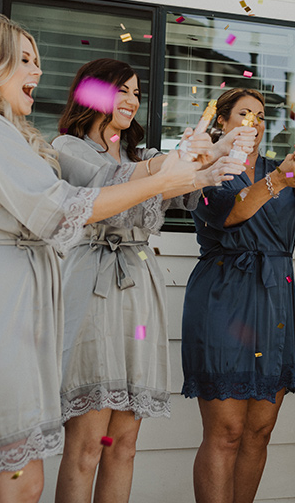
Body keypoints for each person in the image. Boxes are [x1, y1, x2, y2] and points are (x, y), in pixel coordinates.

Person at [0, 15, 203, 503]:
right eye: (25, 60)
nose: (38, 70)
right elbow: (61, 206)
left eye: (38, 59)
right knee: (20, 481)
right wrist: (161, 179)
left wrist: (194, 164)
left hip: (12, 308)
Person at [51, 59, 252, 503]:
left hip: (139, 287)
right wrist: (180, 161)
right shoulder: (68, 147)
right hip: (93, 284)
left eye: (137, 93)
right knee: (87, 445)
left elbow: (180, 189)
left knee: (123, 444)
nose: (132, 100)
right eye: (122, 90)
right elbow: (106, 183)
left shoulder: (139, 156)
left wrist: (210, 158)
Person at [181, 87, 295, 503]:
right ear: (223, 124)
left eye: (261, 115)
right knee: (226, 431)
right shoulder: (207, 168)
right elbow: (234, 211)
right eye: (244, 113)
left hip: (275, 299)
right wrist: (282, 177)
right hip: (224, 295)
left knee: (259, 431)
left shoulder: (277, 166)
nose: (255, 121)